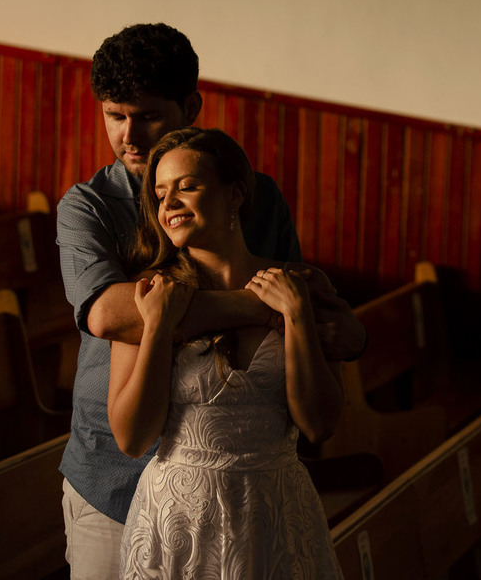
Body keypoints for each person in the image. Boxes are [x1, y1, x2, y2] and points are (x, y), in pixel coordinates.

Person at [56, 22, 364, 579]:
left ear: (191, 107)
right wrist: (266, 306)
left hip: (249, 488)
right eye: (114, 115)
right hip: (113, 471)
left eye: (148, 116)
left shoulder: (255, 196)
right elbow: (108, 314)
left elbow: (314, 314)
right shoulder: (88, 206)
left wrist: (347, 331)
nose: (129, 136)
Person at [110, 126, 344, 577]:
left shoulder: (300, 285)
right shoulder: (150, 294)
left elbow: (320, 425)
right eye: (160, 194)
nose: (169, 204)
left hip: (276, 515)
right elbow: (132, 440)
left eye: (187, 187)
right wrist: (158, 327)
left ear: (234, 195)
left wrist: (297, 316)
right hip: (179, 521)